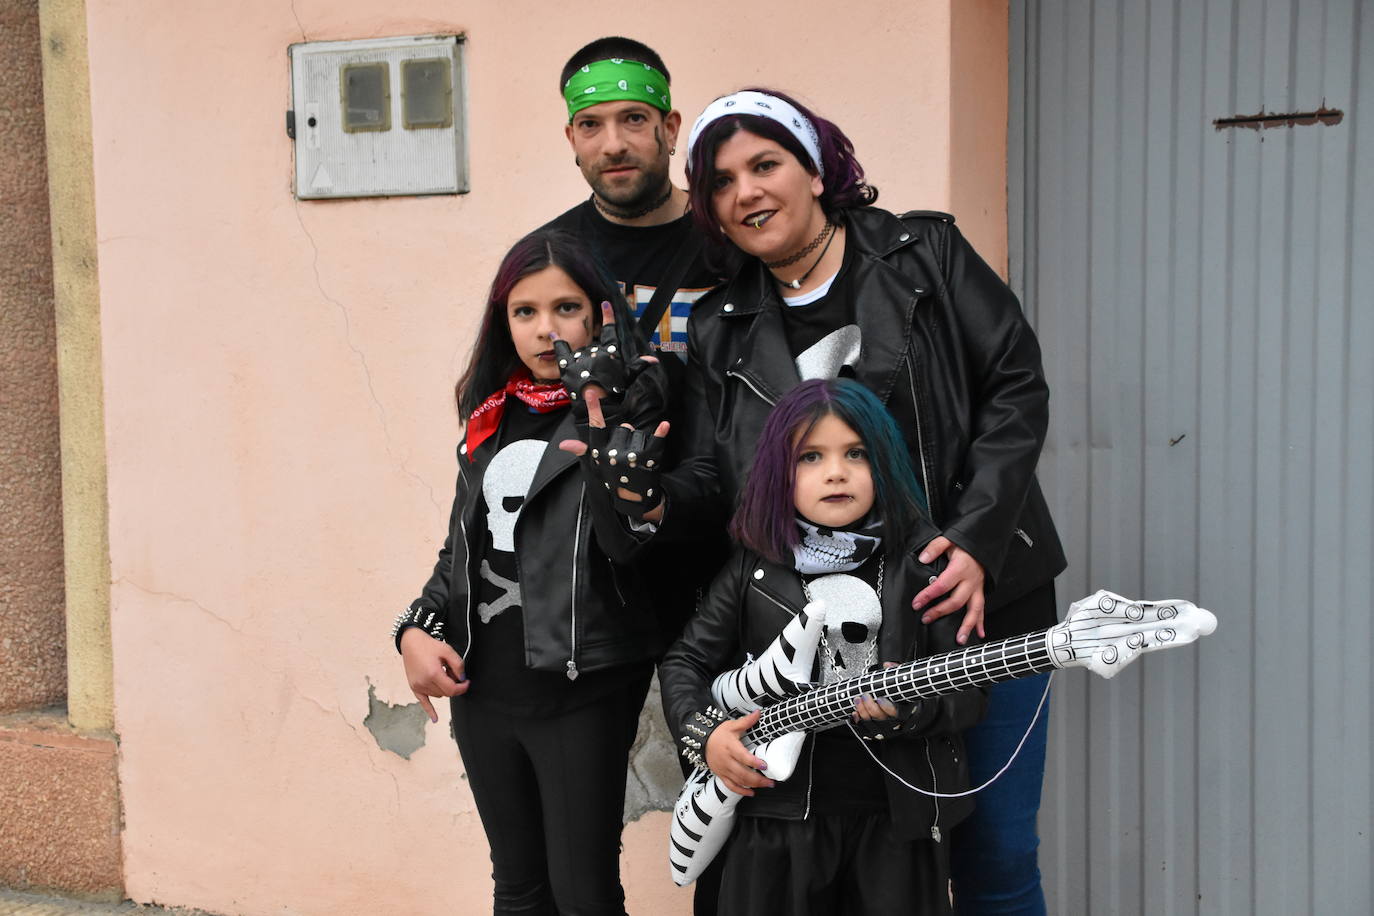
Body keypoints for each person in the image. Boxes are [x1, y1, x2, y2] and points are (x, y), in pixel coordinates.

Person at [589, 88, 1067, 913]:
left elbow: (1016, 388)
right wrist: (649, 502)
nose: (748, 192)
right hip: (811, 631)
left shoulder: (927, 255)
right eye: (723, 182)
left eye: (766, 164)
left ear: (815, 171)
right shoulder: (722, 328)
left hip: (972, 602)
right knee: (846, 861)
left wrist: (976, 539)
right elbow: (716, 479)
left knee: (991, 853)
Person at [391, 229, 664, 916]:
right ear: (502, 321)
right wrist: (412, 630)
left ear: (601, 313)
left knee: (582, 895)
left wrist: (599, 410)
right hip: (485, 690)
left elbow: (630, 544)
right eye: (525, 312)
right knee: (516, 890)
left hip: (579, 689)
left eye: (566, 308)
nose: (546, 330)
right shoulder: (491, 415)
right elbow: (461, 553)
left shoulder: (637, 403)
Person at [659, 378, 985, 915]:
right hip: (774, 822)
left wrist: (909, 711)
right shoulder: (753, 565)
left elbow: (968, 686)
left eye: (856, 453)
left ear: (883, 464)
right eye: (811, 456)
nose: (836, 471)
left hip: (895, 824)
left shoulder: (924, 566)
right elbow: (685, 661)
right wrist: (707, 737)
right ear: (778, 474)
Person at [544, 36, 719, 356]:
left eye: (634, 119)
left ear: (670, 129)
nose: (614, 145)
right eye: (590, 124)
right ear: (572, 140)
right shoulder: (548, 255)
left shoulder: (731, 240)